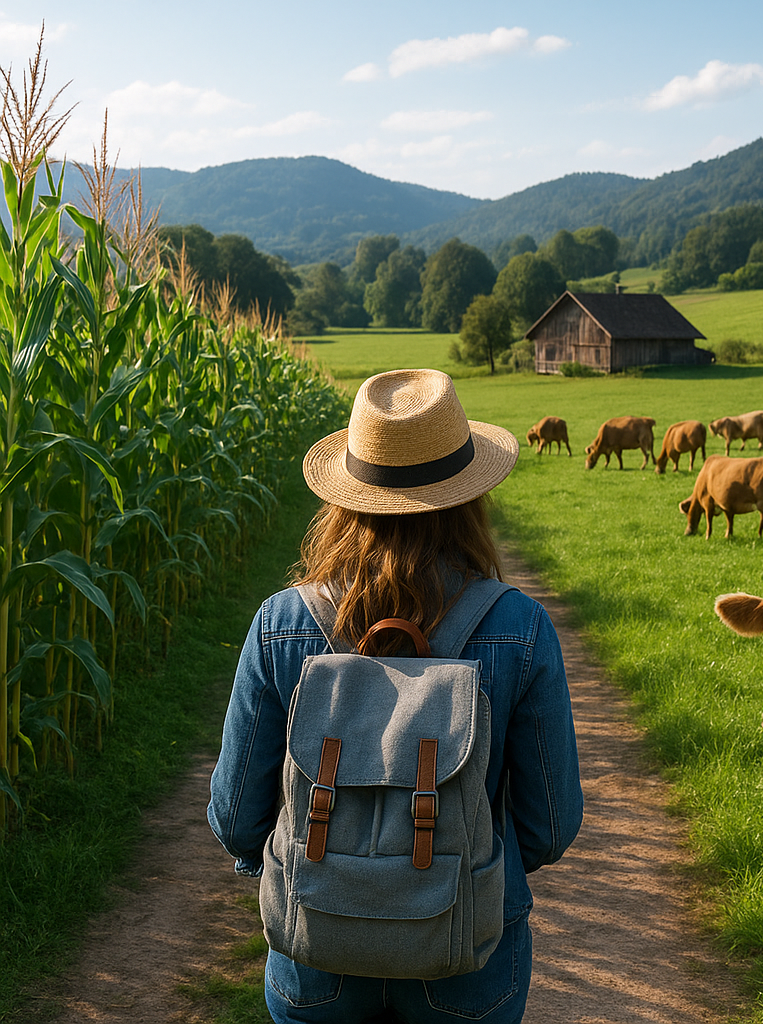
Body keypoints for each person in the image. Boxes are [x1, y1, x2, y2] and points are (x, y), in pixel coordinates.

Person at [208, 367, 584, 1023]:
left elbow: (237, 818)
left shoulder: (280, 624)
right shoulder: (520, 629)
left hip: (315, 953)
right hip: (466, 961)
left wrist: (321, 870)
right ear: (472, 498)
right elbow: (549, 826)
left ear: (346, 499)